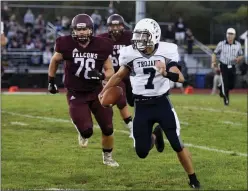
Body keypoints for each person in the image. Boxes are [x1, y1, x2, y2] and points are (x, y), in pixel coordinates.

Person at [99, 18, 200, 189]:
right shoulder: (130, 53)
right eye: (137, 35)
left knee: (176, 143)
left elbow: (181, 78)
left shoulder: (167, 50)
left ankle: (193, 179)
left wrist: (166, 72)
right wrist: (104, 90)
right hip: (142, 106)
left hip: (162, 104)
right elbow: (118, 75)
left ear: (154, 36)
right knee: (141, 152)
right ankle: (155, 135)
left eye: (142, 36)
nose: (138, 39)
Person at [48, 14, 119, 167]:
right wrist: (51, 81)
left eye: (84, 29)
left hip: (97, 92)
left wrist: (101, 76)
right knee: (87, 130)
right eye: (78, 30)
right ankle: (82, 131)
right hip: (76, 93)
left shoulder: (101, 45)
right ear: (73, 30)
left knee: (108, 127)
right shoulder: (65, 43)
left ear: (91, 30)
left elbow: (110, 70)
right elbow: (54, 60)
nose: (81, 33)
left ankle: (108, 157)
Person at [98, 14, 134, 139]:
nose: (116, 28)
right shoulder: (101, 39)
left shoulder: (130, 36)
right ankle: (132, 128)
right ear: (108, 27)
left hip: (130, 74)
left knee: (134, 101)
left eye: (118, 25)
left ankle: (138, 124)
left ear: (123, 26)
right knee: (121, 100)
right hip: (115, 76)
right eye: (113, 26)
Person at [211, 28, 244, 105]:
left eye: (231, 34)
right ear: (226, 35)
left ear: (234, 35)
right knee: (225, 84)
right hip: (223, 66)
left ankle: (220, 87)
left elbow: (241, 55)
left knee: (231, 85)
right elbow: (214, 53)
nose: (230, 36)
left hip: (232, 66)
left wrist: (238, 58)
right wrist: (213, 62)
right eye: (228, 34)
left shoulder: (238, 45)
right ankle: (226, 100)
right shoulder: (221, 44)